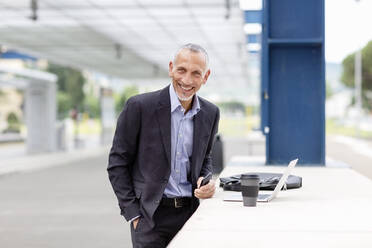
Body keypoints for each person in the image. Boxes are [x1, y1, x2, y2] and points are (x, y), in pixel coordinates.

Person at [107, 43, 220, 248]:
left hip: (190, 215)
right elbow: (117, 164)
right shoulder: (139, 107)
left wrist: (205, 180)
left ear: (206, 76)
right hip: (149, 218)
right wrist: (133, 214)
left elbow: (205, 158)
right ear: (171, 68)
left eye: (196, 73)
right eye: (181, 70)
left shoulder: (210, 113)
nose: (186, 80)